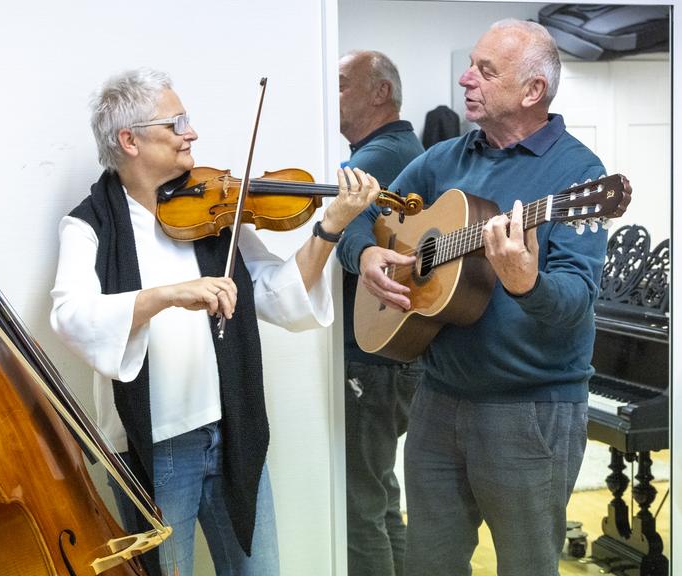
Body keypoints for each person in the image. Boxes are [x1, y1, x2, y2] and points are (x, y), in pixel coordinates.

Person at [50, 68, 380, 576]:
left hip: (232, 430)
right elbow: (70, 316)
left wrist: (329, 228)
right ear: (129, 140)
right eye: (176, 122)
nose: (192, 133)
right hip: (154, 450)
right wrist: (165, 296)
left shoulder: (215, 208)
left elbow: (277, 292)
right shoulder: (89, 225)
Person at [337, 19, 631, 576]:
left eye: (485, 71)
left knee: (525, 565)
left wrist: (527, 282)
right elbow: (367, 210)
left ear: (531, 91)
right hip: (437, 400)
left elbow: (574, 303)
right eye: (471, 64)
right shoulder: (444, 159)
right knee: (429, 563)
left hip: (530, 411)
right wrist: (365, 255)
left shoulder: (579, 177)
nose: (465, 78)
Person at [338, 49, 424, 576]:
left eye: (342, 84)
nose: (332, 95)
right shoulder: (395, 150)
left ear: (380, 93)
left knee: (358, 506)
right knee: (381, 495)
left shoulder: (380, 156)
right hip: (385, 353)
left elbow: (332, 218)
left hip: (374, 356)